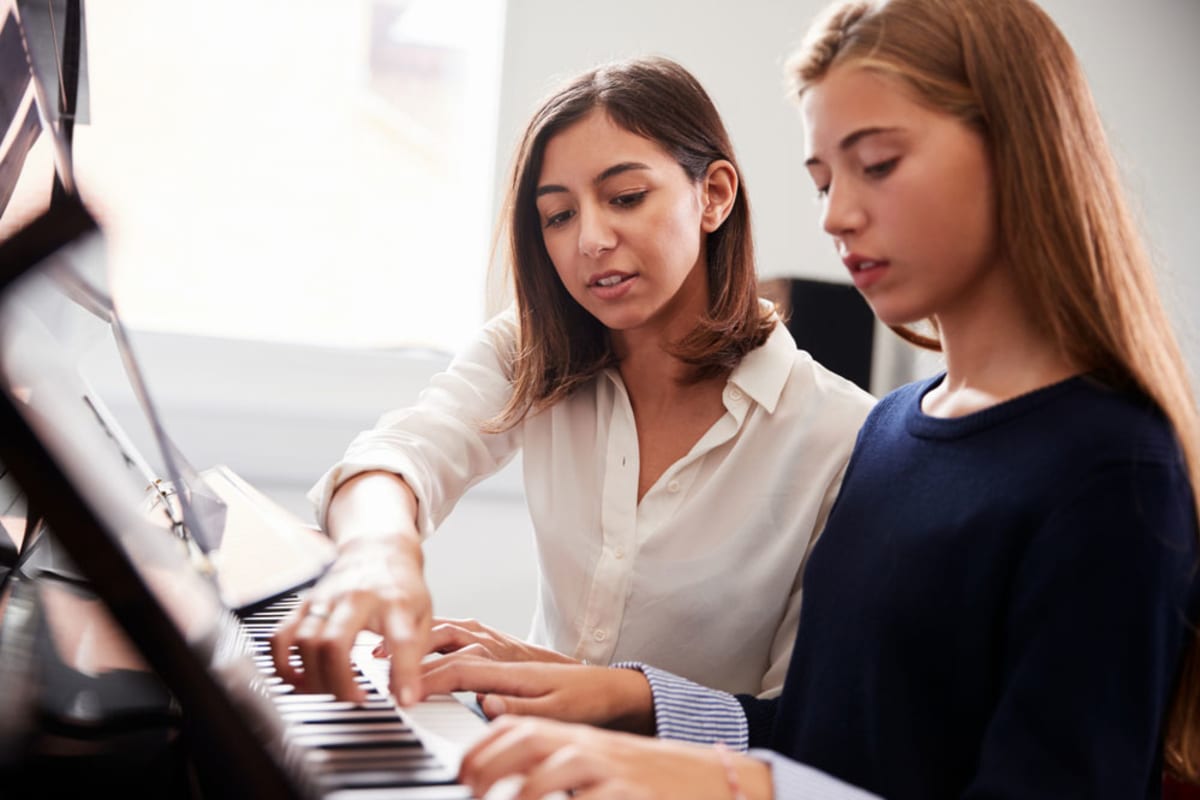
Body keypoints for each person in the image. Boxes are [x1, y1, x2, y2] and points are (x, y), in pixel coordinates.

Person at [417, 0, 1200, 797]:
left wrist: (730, 786)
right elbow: (826, 739)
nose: (834, 215)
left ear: (1017, 151)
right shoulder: (898, 432)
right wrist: (625, 696)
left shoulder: (1112, 469)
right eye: (822, 179)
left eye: (878, 164)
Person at [269, 56, 875, 707]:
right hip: (519, 752)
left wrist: (599, 692)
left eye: (625, 198)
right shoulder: (535, 351)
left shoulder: (841, 437)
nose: (589, 239)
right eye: (557, 215)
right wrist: (377, 554)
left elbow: (800, 725)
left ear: (715, 195)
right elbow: (402, 453)